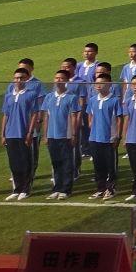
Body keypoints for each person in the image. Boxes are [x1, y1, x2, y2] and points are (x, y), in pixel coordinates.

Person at [0, 66, 43, 201]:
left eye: (21, 78)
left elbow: (34, 114)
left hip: (24, 133)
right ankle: (17, 188)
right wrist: (3, 134)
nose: (18, 80)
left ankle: (26, 189)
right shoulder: (9, 96)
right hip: (11, 133)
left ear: (26, 79)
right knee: (14, 163)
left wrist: (30, 132)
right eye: (16, 78)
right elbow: (5, 116)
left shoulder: (31, 94)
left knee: (26, 162)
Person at [43, 69, 84, 201]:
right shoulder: (49, 97)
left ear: (66, 81)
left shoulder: (71, 97)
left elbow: (74, 116)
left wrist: (73, 134)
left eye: (61, 78)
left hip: (65, 136)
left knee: (67, 163)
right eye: (56, 78)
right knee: (56, 163)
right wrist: (45, 134)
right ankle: (57, 187)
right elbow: (46, 116)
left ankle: (66, 189)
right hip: (52, 135)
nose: (58, 81)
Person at [85, 74, 124, 201]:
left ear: (109, 85)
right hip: (95, 138)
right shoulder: (92, 100)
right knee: (98, 165)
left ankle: (111, 188)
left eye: (101, 83)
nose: (98, 85)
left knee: (110, 166)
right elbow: (89, 115)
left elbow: (119, 119)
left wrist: (117, 136)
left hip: (109, 139)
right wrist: (91, 126)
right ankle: (100, 189)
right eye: (97, 83)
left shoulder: (114, 100)